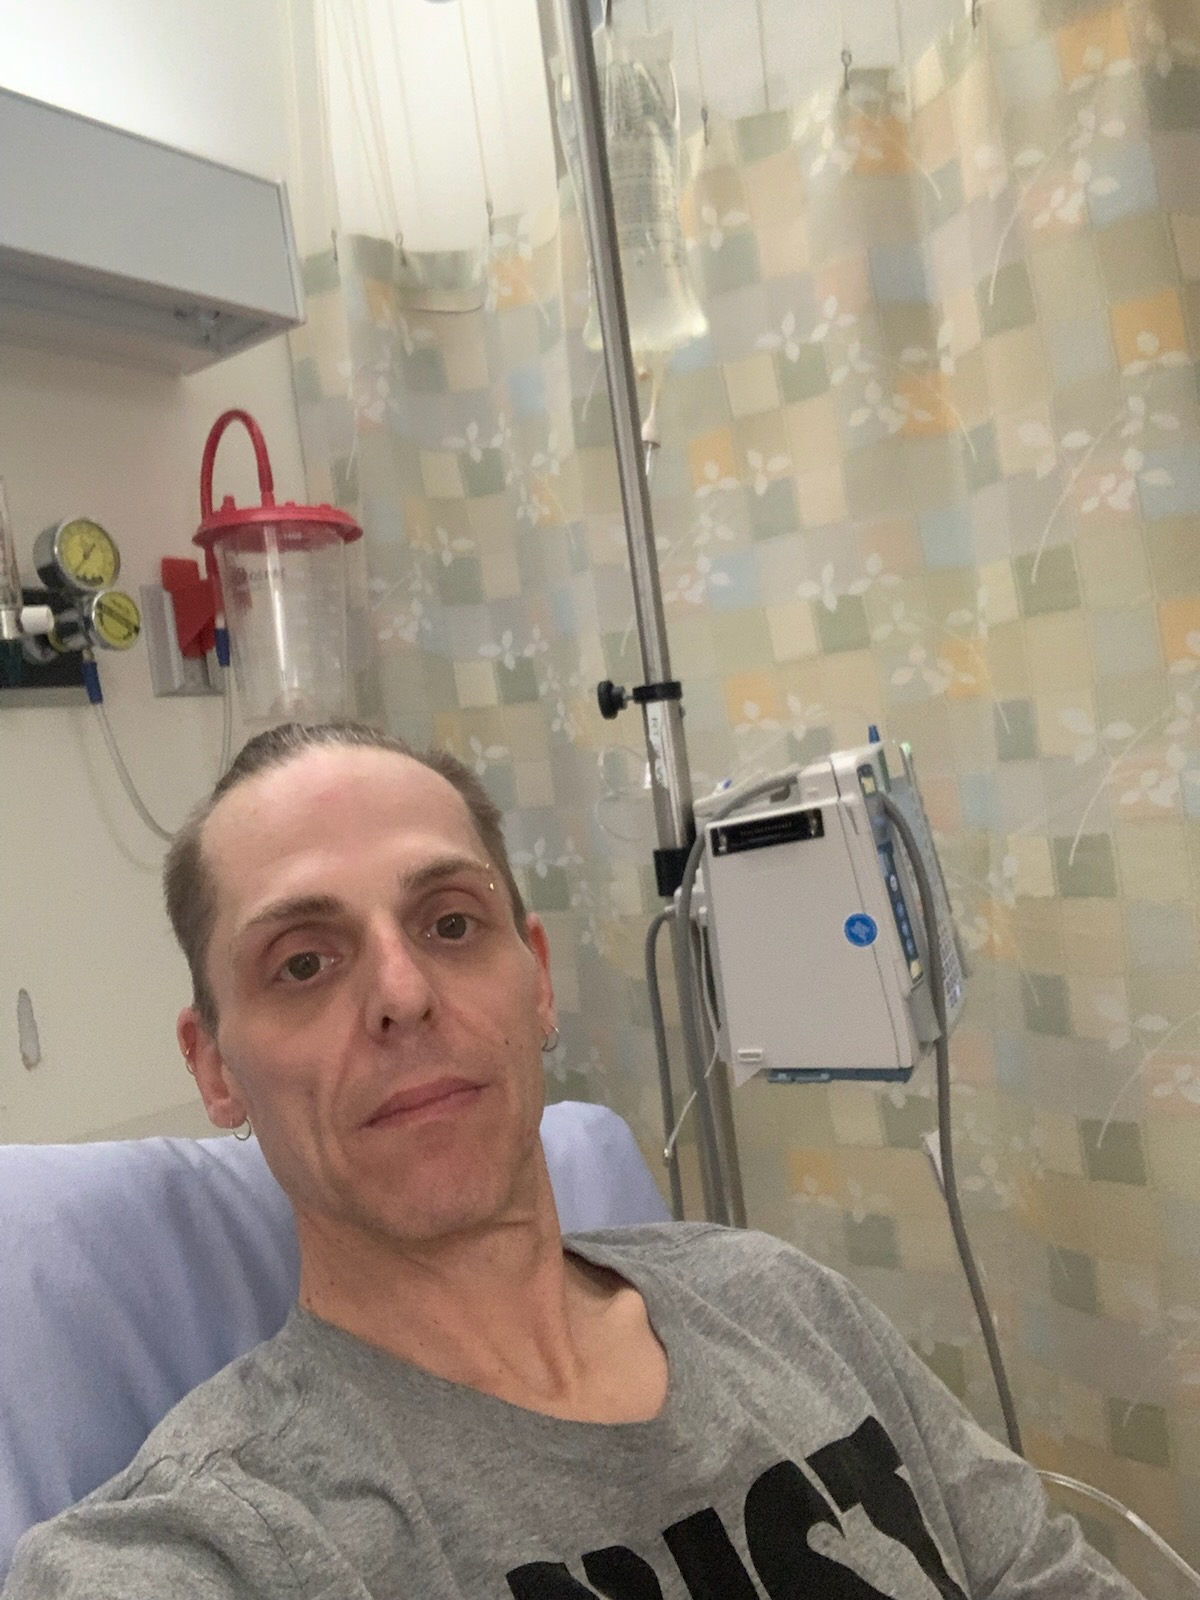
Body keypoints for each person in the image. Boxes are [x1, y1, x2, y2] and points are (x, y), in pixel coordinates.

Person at [4, 721, 1140, 1600]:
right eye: (303, 962)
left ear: (537, 981)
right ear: (214, 1067)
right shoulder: (218, 1541)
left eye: (451, 923)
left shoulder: (785, 1305)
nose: (402, 993)